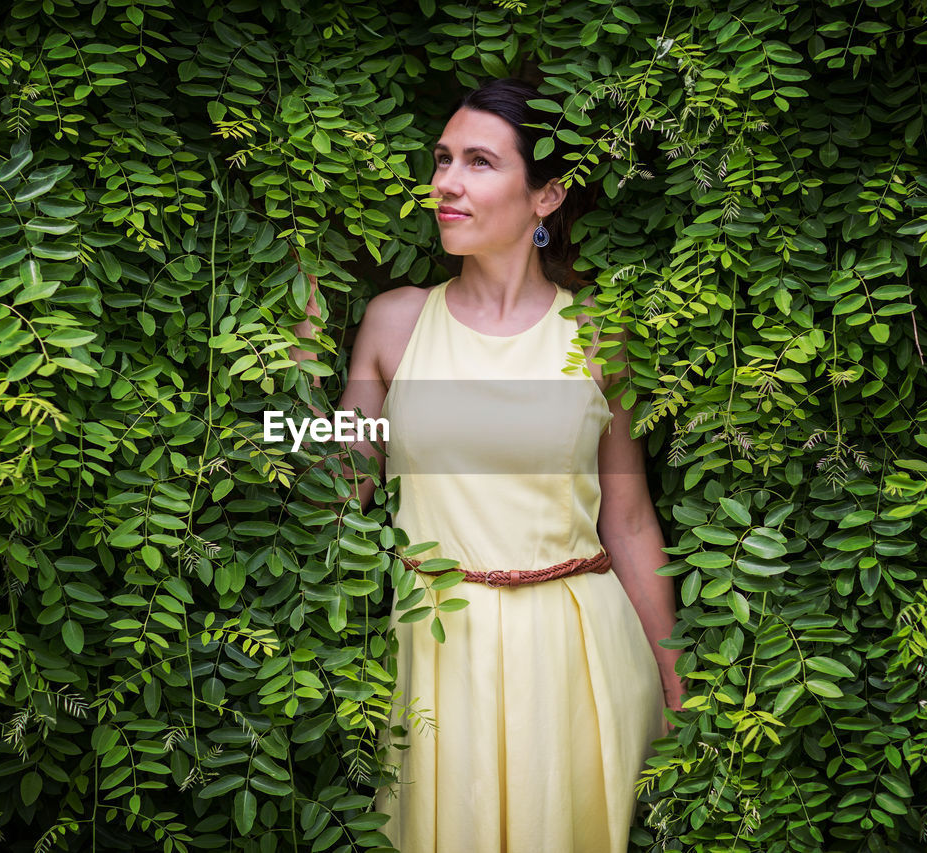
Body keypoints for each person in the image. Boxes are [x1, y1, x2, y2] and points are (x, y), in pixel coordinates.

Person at [287, 77, 687, 853]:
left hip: (574, 656)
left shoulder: (601, 333)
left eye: (477, 161)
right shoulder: (394, 324)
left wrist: (676, 682)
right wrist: (304, 357)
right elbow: (341, 492)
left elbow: (629, 518)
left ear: (545, 197)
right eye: (442, 160)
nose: (445, 182)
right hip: (437, 652)